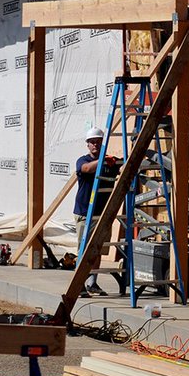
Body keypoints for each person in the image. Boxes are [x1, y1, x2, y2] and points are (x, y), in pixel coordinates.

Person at [73, 126, 113, 296]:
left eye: (98, 142)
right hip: (84, 212)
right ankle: (78, 285)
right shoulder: (82, 160)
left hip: (103, 213)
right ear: (87, 145)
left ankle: (92, 283)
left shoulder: (109, 161)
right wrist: (104, 160)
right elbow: (88, 169)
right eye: (92, 142)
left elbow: (125, 165)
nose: (95, 145)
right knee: (83, 250)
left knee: (98, 250)